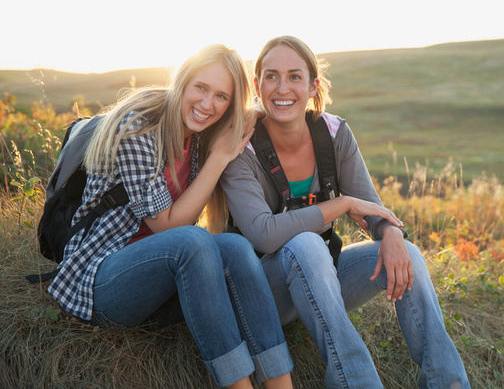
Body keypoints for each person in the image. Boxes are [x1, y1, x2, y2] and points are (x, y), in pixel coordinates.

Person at [221, 36, 470, 388]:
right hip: (263, 294)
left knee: (408, 253)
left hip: (318, 281)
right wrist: (341, 203)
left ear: (312, 86)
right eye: (271, 76)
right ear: (257, 86)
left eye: (294, 76)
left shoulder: (333, 132)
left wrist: (392, 233)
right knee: (307, 244)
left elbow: (370, 206)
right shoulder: (239, 148)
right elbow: (263, 233)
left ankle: (448, 384)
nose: (282, 88)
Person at [47, 45, 294, 389]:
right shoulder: (139, 129)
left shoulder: (200, 133)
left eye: (221, 96)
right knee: (193, 240)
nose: (208, 104)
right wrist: (220, 157)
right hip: (100, 281)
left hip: (157, 280)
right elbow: (166, 225)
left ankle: (280, 383)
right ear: (182, 81)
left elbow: (248, 113)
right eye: (201, 88)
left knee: (235, 247)